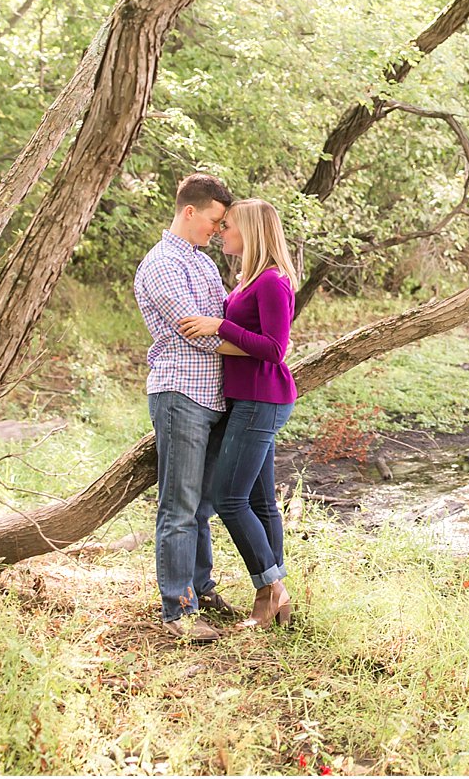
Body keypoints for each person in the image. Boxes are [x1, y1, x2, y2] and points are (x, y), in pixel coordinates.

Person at [133, 172, 247, 642]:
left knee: (202, 505)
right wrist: (258, 348)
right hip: (180, 392)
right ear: (189, 212)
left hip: (212, 395)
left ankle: (202, 589)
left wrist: (246, 337)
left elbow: (224, 317)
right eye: (215, 221)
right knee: (178, 506)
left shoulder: (200, 263)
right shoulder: (161, 264)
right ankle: (177, 611)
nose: (218, 231)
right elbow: (197, 334)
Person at [177, 198, 299, 629]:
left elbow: (274, 348)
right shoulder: (249, 279)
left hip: (261, 400)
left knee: (230, 498)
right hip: (248, 398)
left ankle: (273, 586)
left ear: (250, 230)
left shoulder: (272, 282)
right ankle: (270, 602)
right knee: (263, 501)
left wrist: (218, 326)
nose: (222, 232)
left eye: (228, 226)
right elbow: (245, 345)